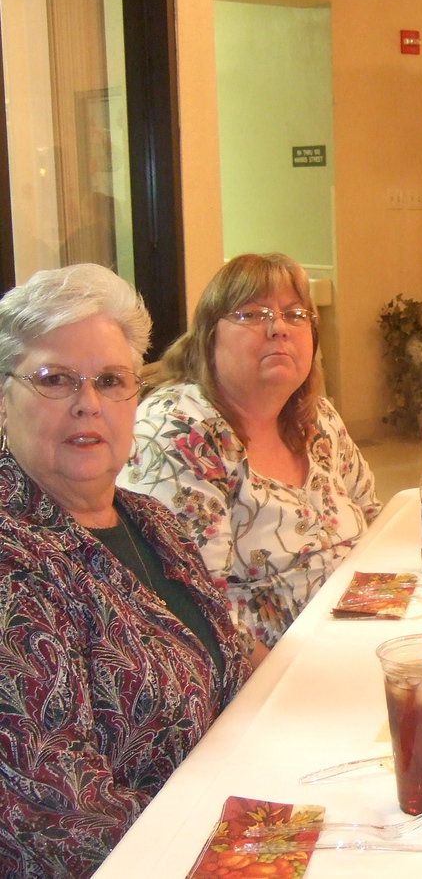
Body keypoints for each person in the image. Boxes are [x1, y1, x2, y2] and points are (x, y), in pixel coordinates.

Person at [0, 265, 248, 875]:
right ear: (4, 401)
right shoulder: (13, 565)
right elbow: (62, 818)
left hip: (228, 810)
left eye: (111, 380)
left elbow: (231, 669)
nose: (88, 404)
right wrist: (255, 842)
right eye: (55, 379)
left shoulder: (149, 520)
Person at [120, 253, 380, 655]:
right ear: (209, 337)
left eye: (295, 314)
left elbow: (373, 518)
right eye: (253, 314)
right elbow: (197, 612)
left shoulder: (317, 416)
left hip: (359, 632)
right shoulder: (179, 433)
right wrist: (291, 678)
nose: (279, 328)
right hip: (269, 670)